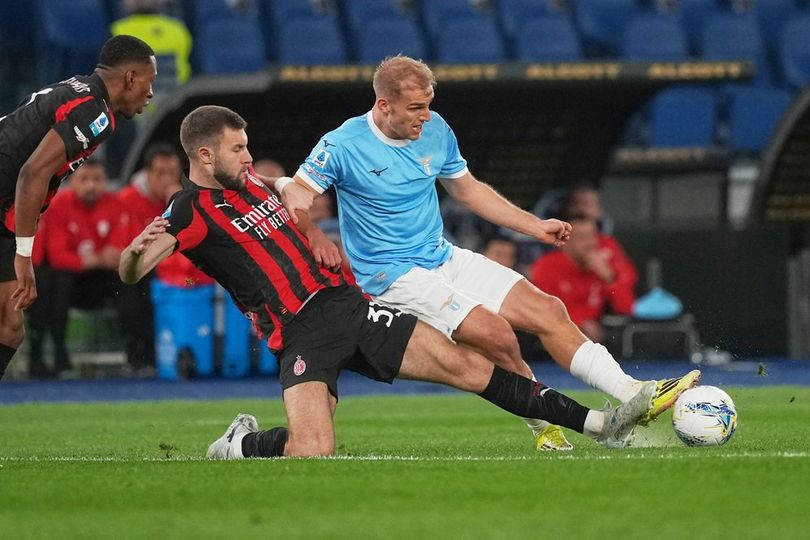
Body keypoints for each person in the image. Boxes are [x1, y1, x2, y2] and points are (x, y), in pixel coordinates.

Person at [119, 105, 661, 458]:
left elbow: (294, 191)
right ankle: (240, 445)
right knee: (313, 450)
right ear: (206, 155)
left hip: (349, 307)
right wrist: (134, 252)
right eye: (237, 149)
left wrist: (311, 233)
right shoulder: (189, 210)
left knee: (469, 363)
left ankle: (599, 424)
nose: (247, 156)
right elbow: (138, 267)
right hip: (298, 334)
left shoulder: (255, 183)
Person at [276, 55, 700, 451]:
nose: (425, 117)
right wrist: (313, 232)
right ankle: (544, 425)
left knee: (548, 310)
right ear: (384, 105)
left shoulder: (436, 128)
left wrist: (535, 226)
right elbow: (296, 192)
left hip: (442, 257)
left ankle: (633, 396)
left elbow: (469, 190)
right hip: (393, 276)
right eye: (415, 108)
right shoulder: (343, 143)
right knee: (495, 334)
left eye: (429, 106)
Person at [0, 34, 156, 380]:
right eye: (150, 81)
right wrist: (24, 255)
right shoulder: (93, 111)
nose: (150, 93)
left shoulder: (79, 92)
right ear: (130, 76)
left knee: (9, 326)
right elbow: (32, 173)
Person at [29, 158, 131, 375]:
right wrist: (96, 258)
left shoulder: (118, 205)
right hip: (72, 284)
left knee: (131, 280)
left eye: (97, 179)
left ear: (106, 181)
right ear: (72, 181)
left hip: (103, 282)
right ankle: (55, 353)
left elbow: (117, 254)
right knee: (52, 280)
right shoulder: (58, 205)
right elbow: (58, 257)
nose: (91, 185)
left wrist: (90, 259)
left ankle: (137, 354)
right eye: (84, 179)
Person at [531, 215, 636, 344]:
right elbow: (544, 312)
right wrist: (580, 322)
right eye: (581, 238)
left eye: (592, 236)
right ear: (565, 241)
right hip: (556, 340)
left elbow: (627, 309)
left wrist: (608, 277)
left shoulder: (606, 264)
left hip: (601, 340)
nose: (590, 243)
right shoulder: (546, 267)